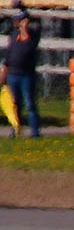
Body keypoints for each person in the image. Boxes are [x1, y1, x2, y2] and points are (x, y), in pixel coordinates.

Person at [1, 9, 41, 138]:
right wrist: (4, 73)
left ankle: (35, 132)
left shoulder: (33, 34)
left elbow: (28, 46)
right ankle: (15, 129)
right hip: (13, 74)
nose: (16, 22)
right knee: (14, 105)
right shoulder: (13, 35)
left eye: (19, 20)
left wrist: (24, 28)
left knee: (29, 104)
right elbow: (9, 55)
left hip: (26, 75)